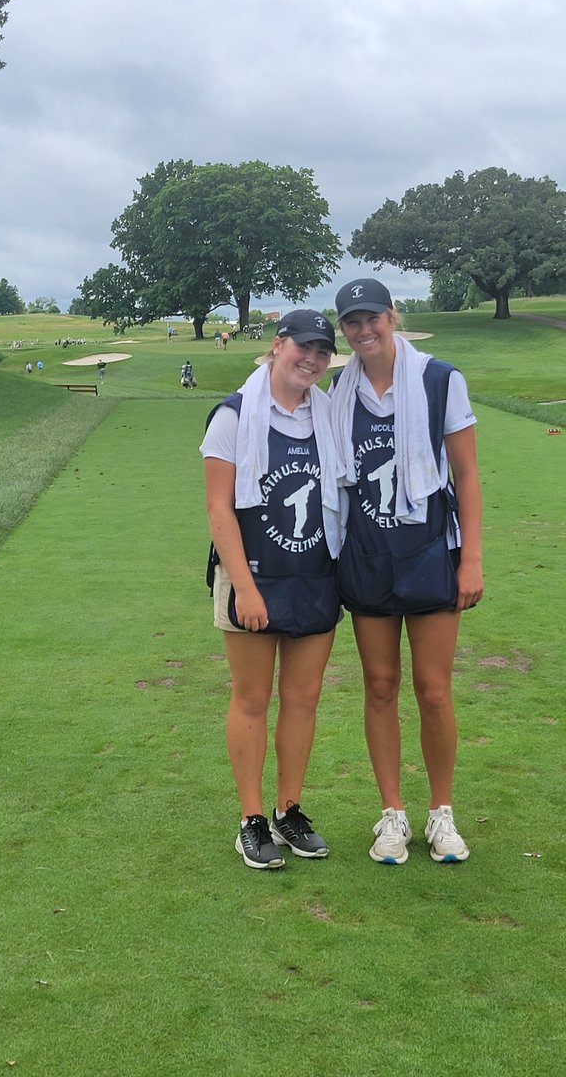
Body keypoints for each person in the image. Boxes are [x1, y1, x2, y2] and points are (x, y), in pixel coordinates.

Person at [330, 277, 483, 865]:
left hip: (428, 553)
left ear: (393, 316)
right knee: (379, 686)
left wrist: (470, 558)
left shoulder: (440, 380)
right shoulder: (340, 387)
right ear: (343, 327)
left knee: (434, 690)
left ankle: (440, 814)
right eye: (352, 321)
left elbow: (466, 476)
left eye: (372, 317)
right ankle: (392, 813)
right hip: (366, 554)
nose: (363, 329)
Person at [201, 309, 342, 870]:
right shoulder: (233, 415)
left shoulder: (327, 416)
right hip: (252, 575)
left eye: (322, 352)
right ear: (278, 345)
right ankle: (252, 820)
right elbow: (218, 508)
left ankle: (289, 811)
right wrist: (245, 587)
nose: (311, 359)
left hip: (314, 574)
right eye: (303, 347)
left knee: (303, 698)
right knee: (253, 698)